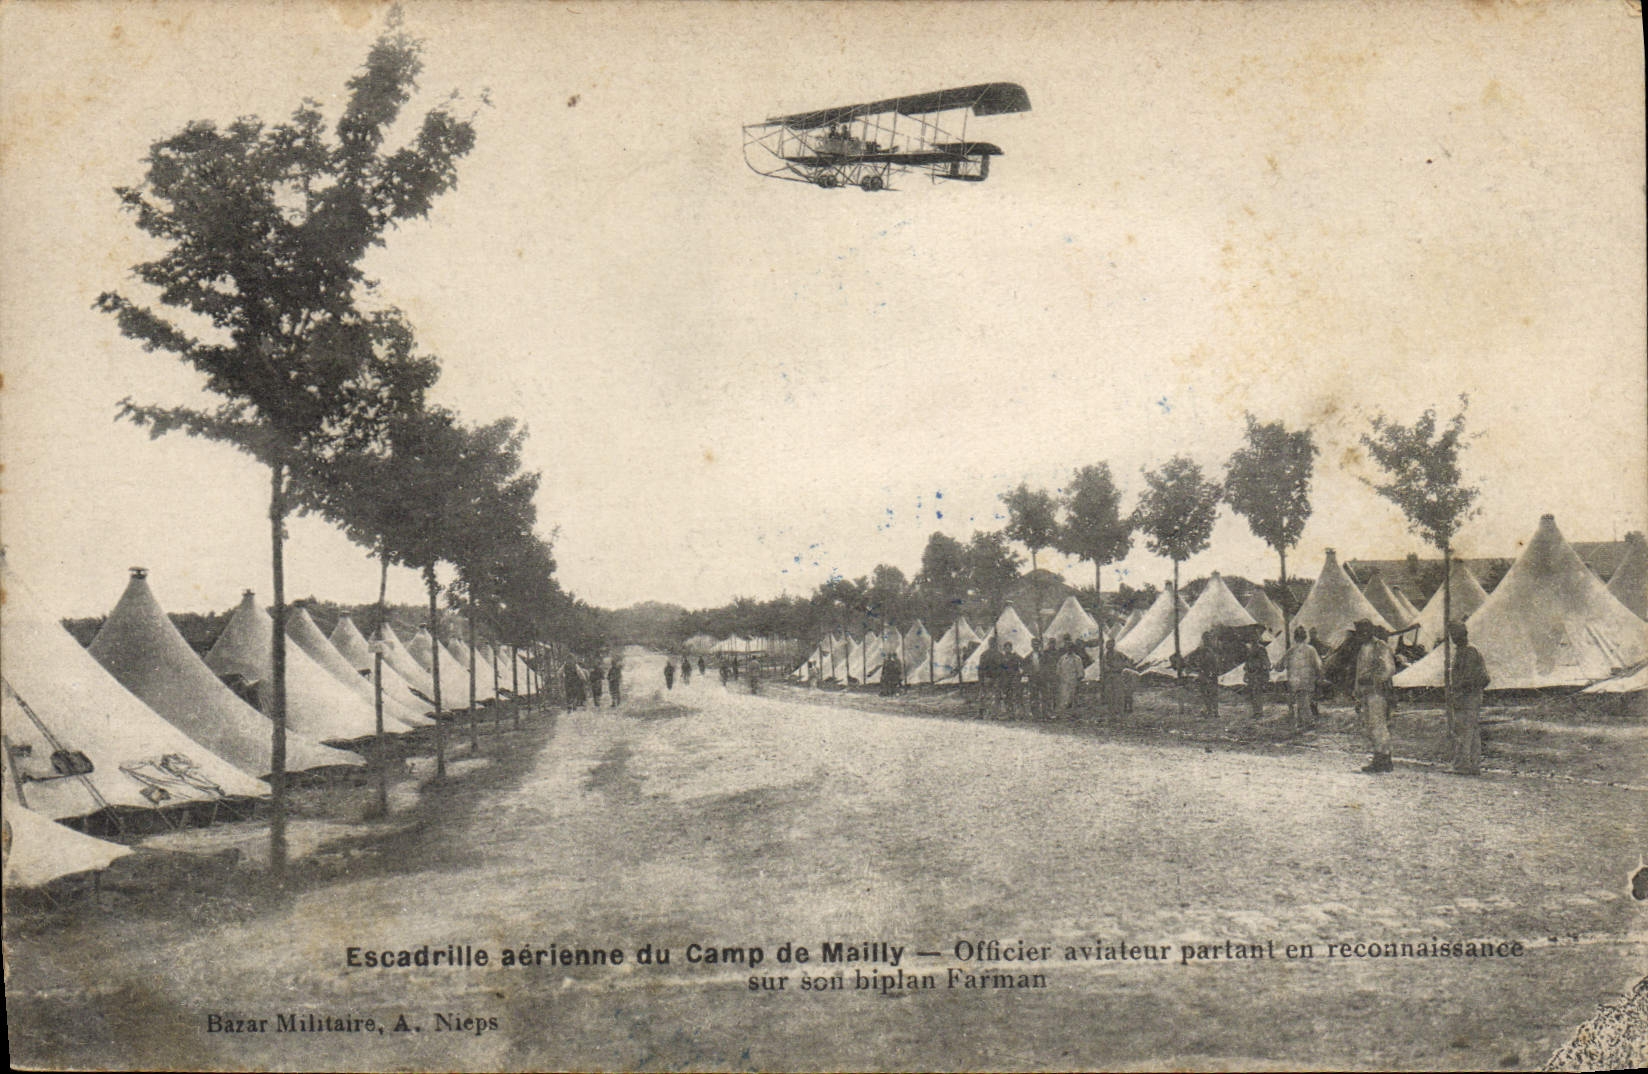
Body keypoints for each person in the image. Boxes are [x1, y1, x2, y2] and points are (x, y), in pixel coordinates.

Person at [1352, 620, 1396, 773]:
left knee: (1379, 726)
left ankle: (1383, 758)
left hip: (1377, 692)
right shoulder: (1363, 649)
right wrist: (1357, 692)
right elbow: (1359, 673)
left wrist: (1374, 679)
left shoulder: (1380, 646)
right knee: (1371, 727)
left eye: (1364, 631)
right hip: (1366, 692)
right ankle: (1380, 756)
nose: (1362, 634)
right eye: (1359, 632)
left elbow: (1388, 669)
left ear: (1370, 630)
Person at [1448, 621, 1489, 775]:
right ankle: (1472, 764)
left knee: (1465, 729)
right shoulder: (1461, 651)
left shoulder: (1469, 651)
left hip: (1469, 695)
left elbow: (1470, 676)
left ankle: (1464, 764)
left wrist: (1459, 689)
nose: (1454, 638)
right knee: (1469, 729)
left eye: (1456, 634)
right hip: (1464, 694)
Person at [1282, 626, 1323, 734]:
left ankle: (1308, 723)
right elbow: (1318, 665)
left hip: (1294, 680)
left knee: (1301, 701)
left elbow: (1280, 665)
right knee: (1304, 700)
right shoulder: (1311, 649)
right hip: (1307, 679)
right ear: (1305, 637)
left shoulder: (1291, 650)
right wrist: (1319, 676)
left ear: (1295, 637)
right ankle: (1302, 723)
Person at [1243, 638, 1270, 719]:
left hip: (1258, 674)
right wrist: (1246, 673)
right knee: (1252, 693)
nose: (1253, 641)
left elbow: (1265, 661)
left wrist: (1265, 671)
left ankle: (1259, 712)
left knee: (1257, 692)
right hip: (1251, 674)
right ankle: (1255, 711)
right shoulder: (1249, 649)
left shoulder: (1261, 649)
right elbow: (1247, 662)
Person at [1057, 638, 1083, 712]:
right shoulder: (1062, 658)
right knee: (1064, 698)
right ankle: (1065, 714)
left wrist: (1078, 682)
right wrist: (1060, 677)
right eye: (1067, 647)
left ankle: (1073, 713)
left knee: (1073, 698)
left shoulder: (1077, 658)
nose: (1069, 649)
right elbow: (1058, 669)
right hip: (1064, 681)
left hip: (1073, 681)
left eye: (1070, 647)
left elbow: (1080, 672)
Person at [999, 642, 1025, 718]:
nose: (1007, 649)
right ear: (1004, 649)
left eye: (1009, 647)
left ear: (1011, 648)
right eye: (1006, 648)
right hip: (1006, 680)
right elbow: (1000, 668)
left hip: (1014, 679)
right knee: (1007, 696)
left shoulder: (1015, 656)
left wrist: (1020, 674)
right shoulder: (1002, 658)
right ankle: (1010, 713)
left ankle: (1019, 713)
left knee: (1017, 696)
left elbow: (1023, 662)